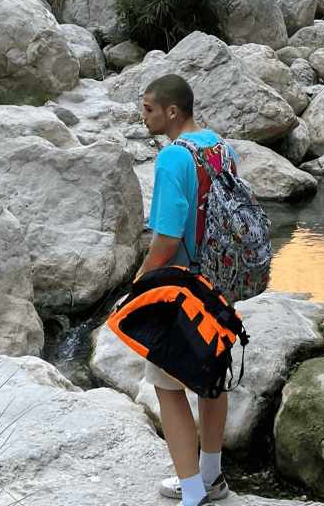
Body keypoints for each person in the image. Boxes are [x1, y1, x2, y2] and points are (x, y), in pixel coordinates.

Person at [137, 74, 239, 506]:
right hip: (221, 280)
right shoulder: (222, 147)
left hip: (183, 287)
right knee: (211, 376)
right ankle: (213, 478)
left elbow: (166, 239)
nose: (143, 117)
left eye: (148, 109)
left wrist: (140, 285)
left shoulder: (171, 160)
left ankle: (193, 493)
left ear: (172, 112)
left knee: (167, 383)